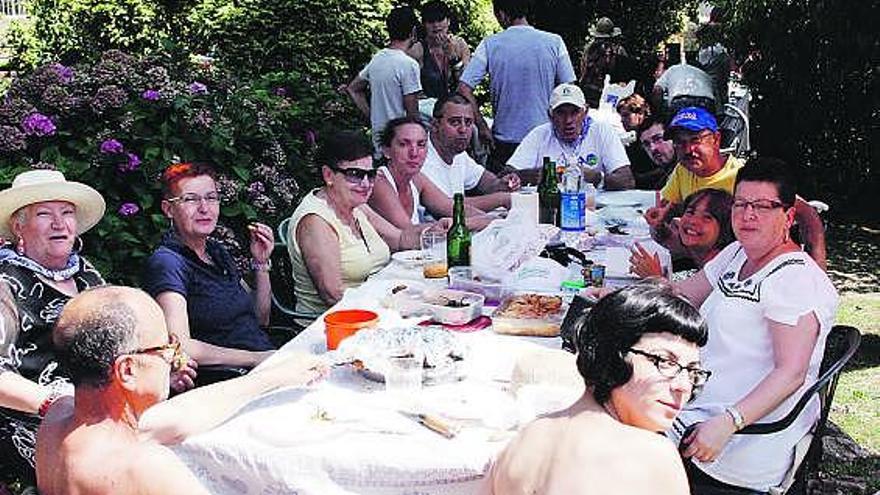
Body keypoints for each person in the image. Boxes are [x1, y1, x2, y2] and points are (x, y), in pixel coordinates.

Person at [36, 285, 327, 495]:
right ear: (127, 370)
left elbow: (175, 415)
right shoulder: (145, 467)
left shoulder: (58, 421)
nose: (176, 359)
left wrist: (269, 378)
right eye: (167, 347)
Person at [668, 158, 838, 493]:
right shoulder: (737, 254)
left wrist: (729, 423)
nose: (748, 215)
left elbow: (791, 373)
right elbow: (684, 296)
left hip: (734, 443)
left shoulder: (796, 280)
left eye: (763, 206)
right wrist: (617, 295)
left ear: (788, 216)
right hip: (695, 407)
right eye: (742, 204)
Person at [485, 280, 710, 494]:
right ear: (612, 353)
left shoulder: (527, 437)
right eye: (665, 362)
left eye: (693, 371)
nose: (683, 386)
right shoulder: (652, 456)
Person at [0, 170, 118, 483]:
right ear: (18, 226)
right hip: (32, 421)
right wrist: (59, 402)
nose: (59, 223)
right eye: (44, 214)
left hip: (106, 414)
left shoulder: (87, 274)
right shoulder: (5, 282)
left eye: (67, 213)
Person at [288, 130, 447, 315]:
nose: (366, 184)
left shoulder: (355, 206)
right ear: (328, 175)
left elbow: (400, 239)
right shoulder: (316, 221)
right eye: (355, 174)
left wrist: (435, 231)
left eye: (370, 174)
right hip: (333, 325)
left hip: (375, 307)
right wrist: (391, 304)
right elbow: (333, 295)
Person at [645, 107, 826, 269]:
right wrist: (659, 222)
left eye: (695, 140)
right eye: (680, 143)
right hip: (712, 270)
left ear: (716, 139)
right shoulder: (683, 171)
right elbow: (665, 223)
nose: (688, 149)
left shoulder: (745, 177)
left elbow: (807, 214)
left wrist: (818, 271)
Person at [143, 162, 276, 376]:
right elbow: (180, 346)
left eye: (211, 197)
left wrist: (260, 264)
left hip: (264, 361)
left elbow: (260, 318)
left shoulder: (215, 251)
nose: (204, 208)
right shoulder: (168, 263)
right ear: (168, 209)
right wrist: (255, 359)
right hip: (230, 378)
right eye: (191, 199)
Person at [458, 0, 576, 172]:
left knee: (505, 194)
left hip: (505, 142)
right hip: (546, 137)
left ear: (502, 14)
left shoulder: (490, 44)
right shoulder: (555, 42)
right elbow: (569, 89)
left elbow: (463, 87)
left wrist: (482, 126)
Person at [369, 116, 493, 230]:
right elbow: (408, 232)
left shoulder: (417, 179)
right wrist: (478, 222)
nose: (414, 153)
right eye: (403, 144)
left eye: (421, 145)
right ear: (386, 151)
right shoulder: (379, 182)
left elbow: (452, 207)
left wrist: (492, 219)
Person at [505, 83, 635, 189]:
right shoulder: (539, 134)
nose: (568, 120)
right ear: (550, 115)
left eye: (575, 112)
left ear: (585, 112)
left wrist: (596, 178)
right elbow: (506, 174)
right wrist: (538, 175)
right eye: (561, 113)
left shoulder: (602, 131)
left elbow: (627, 180)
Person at [422, 94, 519, 211]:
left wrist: (503, 183)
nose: (463, 130)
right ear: (435, 125)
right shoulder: (420, 157)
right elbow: (448, 207)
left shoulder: (457, 153)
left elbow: (486, 182)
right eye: (455, 122)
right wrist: (502, 199)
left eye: (468, 123)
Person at [344, 6, 422, 152]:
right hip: (402, 145)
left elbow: (353, 89)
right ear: (413, 32)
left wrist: (372, 116)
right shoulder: (409, 64)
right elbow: (413, 115)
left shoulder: (378, 59)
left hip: (379, 142)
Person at [630, 189, 734, 279]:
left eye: (707, 217)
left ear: (725, 228)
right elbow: (668, 240)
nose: (693, 221)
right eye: (690, 212)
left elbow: (687, 301)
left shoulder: (722, 267)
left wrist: (656, 279)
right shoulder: (698, 248)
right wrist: (658, 224)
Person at [407, 1, 471, 99]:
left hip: (457, 108)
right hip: (429, 109)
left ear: (448, 21)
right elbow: (411, 90)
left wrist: (454, 60)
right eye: (431, 21)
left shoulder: (460, 45)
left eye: (440, 20)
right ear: (424, 24)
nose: (436, 25)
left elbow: (467, 83)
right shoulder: (417, 50)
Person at [577, 17, 641, 108]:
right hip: (611, 92)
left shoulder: (589, 49)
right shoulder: (618, 50)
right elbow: (625, 74)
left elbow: (583, 69)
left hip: (589, 90)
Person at [652, 61, 716, 117]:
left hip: (681, 101)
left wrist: (657, 113)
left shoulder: (672, 69)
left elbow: (657, 90)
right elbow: (719, 108)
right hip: (706, 102)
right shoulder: (707, 76)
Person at [634, 115, 676, 189]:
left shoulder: (691, 170)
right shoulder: (660, 179)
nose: (653, 148)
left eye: (658, 139)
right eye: (646, 144)